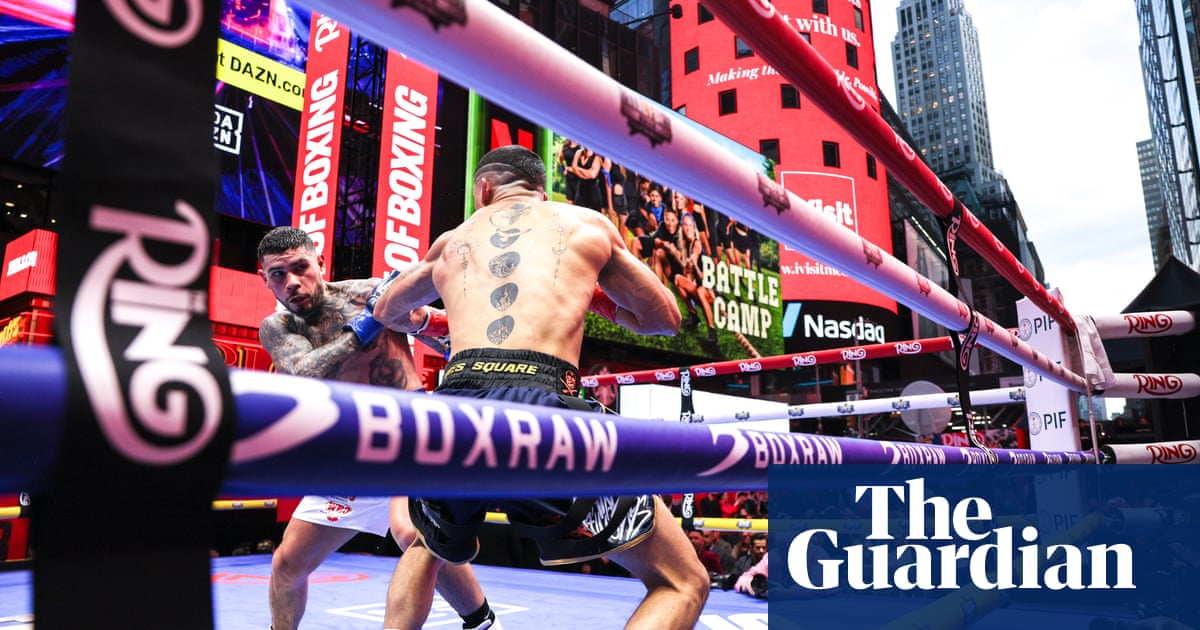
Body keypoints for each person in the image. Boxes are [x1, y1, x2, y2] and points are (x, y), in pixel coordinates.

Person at [374, 145, 707, 630]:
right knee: (683, 581)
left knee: (426, 545)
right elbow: (665, 321)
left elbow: (387, 311)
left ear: (483, 190)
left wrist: (440, 320)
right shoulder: (583, 223)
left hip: (458, 408)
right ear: (542, 191)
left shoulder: (453, 240)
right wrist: (602, 303)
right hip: (548, 412)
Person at [255, 226, 499, 630]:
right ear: (264, 278)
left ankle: (482, 623)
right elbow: (305, 371)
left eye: (300, 267)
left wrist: (424, 323)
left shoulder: (368, 292)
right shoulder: (278, 328)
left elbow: (446, 336)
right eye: (278, 274)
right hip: (347, 445)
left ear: (320, 262)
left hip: (408, 428)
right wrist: (369, 324)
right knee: (287, 563)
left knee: (412, 533)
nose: (292, 282)